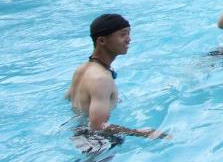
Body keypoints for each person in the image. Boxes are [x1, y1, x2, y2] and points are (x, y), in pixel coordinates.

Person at [66, 14, 167, 147]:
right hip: (96, 142)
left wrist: (104, 98)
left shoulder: (82, 69)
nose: (128, 39)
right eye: (123, 35)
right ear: (101, 41)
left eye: (129, 34)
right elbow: (98, 126)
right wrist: (142, 133)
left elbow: (69, 97)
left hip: (78, 133)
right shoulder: (101, 78)